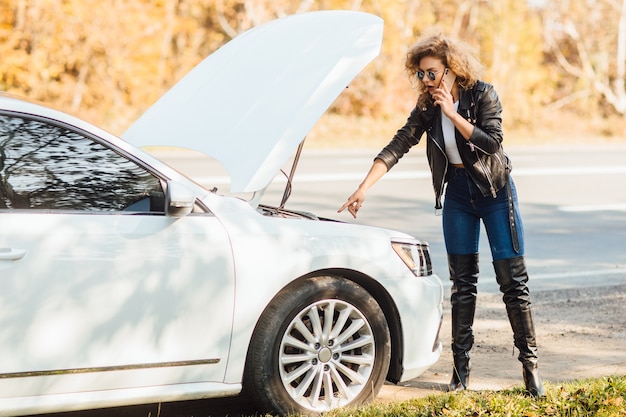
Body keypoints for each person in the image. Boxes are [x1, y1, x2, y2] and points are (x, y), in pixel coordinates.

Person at [338, 33, 545, 397]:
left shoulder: (483, 94)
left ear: (451, 68)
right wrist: (364, 187)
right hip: (459, 196)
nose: (425, 81)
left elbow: (492, 142)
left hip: (495, 193)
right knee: (462, 286)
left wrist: (453, 114)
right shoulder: (427, 107)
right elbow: (399, 143)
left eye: (431, 73)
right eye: (420, 75)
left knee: (512, 282)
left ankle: (530, 369)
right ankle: (460, 372)